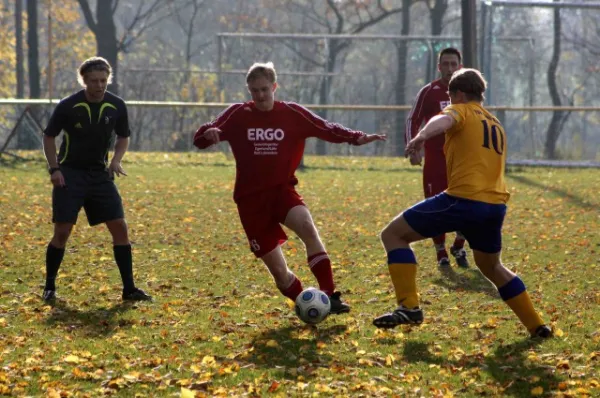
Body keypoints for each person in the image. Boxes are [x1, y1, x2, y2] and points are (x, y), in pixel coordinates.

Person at [193, 62, 386, 314]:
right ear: (248, 90)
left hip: (282, 191)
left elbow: (325, 128)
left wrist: (356, 137)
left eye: (264, 89)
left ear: (275, 86)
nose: (260, 95)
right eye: (254, 91)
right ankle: (309, 305)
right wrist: (208, 133)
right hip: (250, 201)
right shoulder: (238, 114)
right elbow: (200, 138)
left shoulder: (293, 114)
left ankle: (329, 296)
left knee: (308, 227)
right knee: (281, 275)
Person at [373, 68, 552, 338]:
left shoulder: (461, 111)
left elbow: (442, 121)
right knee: (491, 266)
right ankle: (537, 325)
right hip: (495, 205)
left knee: (393, 235)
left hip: (465, 199)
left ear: (457, 94)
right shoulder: (495, 123)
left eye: (451, 97)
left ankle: (409, 306)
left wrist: (421, 136)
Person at [42, 56, 152, 303]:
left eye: (103, 80)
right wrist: (54, 169)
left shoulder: (117, 105)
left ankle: (129, 289)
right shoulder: (68, 106)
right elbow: (49, 137)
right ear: (84, 81)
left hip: (100, 175)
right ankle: (49, 285)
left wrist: (116, 160)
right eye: (94, 81)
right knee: (62, 232)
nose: (99, 85)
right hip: (70, 175)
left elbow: (123, 137)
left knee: (120, 228)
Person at [405, 47, 469, 268]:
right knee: (435, 208)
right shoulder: (429, 91)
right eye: (446, 64)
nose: (450, 69)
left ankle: (459, 246)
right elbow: (412, 120)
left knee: (468, 204)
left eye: (454, 64)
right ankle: (441, 252)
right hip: (435, 162)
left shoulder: (468, 92)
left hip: (462, 161)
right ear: (439, 66)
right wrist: (414, 149)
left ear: (460, 66)